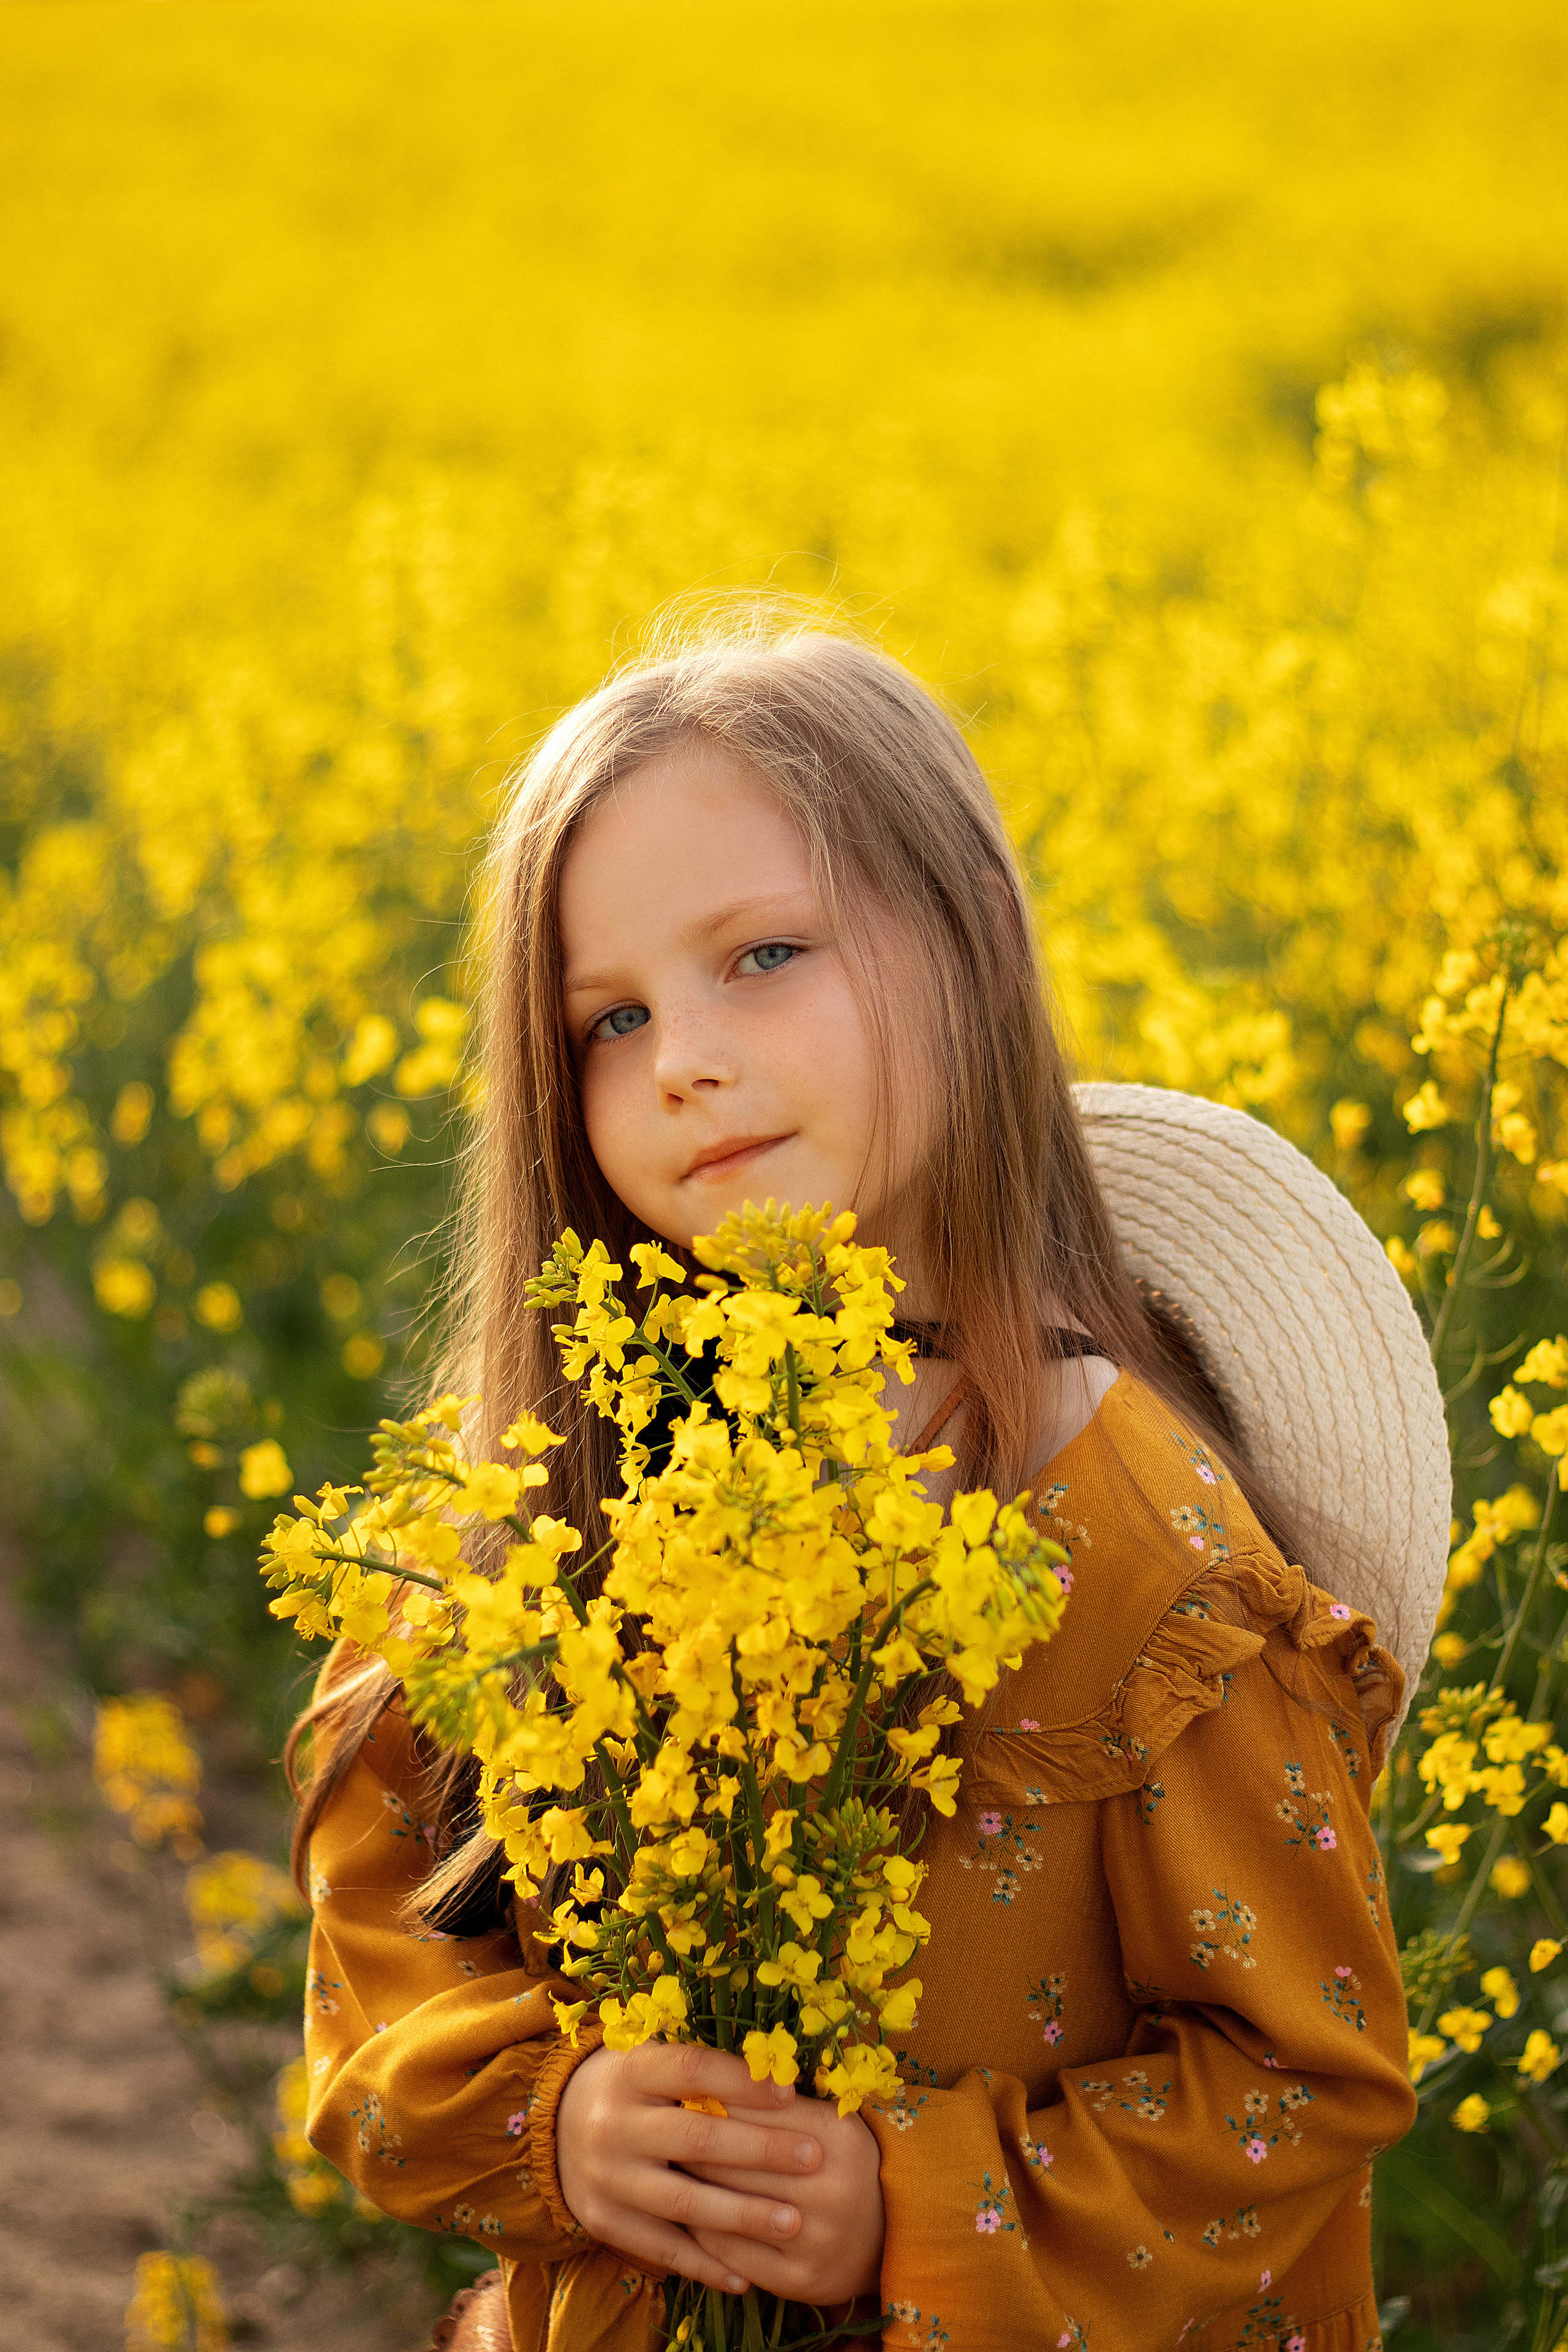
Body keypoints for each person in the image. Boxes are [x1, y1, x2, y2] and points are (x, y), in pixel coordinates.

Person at [289, 612, 1431, 2352]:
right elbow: (374, 1949)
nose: (683, 1058)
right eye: (609, 1019)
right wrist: (554, 2120)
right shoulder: (539, 1487)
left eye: (762, 956)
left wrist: (911, 2205)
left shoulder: (1144, 1548)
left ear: (974, 940)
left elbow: (1304, 2079)